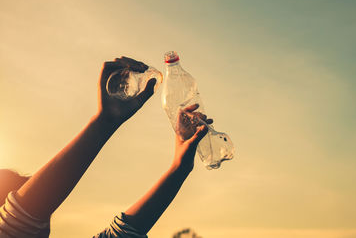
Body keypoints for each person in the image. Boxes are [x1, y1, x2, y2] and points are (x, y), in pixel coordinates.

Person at [0, 57, 212, 238]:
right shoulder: (21, 220)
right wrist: (104, 122)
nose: (44, 219)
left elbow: (122, 233)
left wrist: (180, 167)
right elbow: (21, 217)